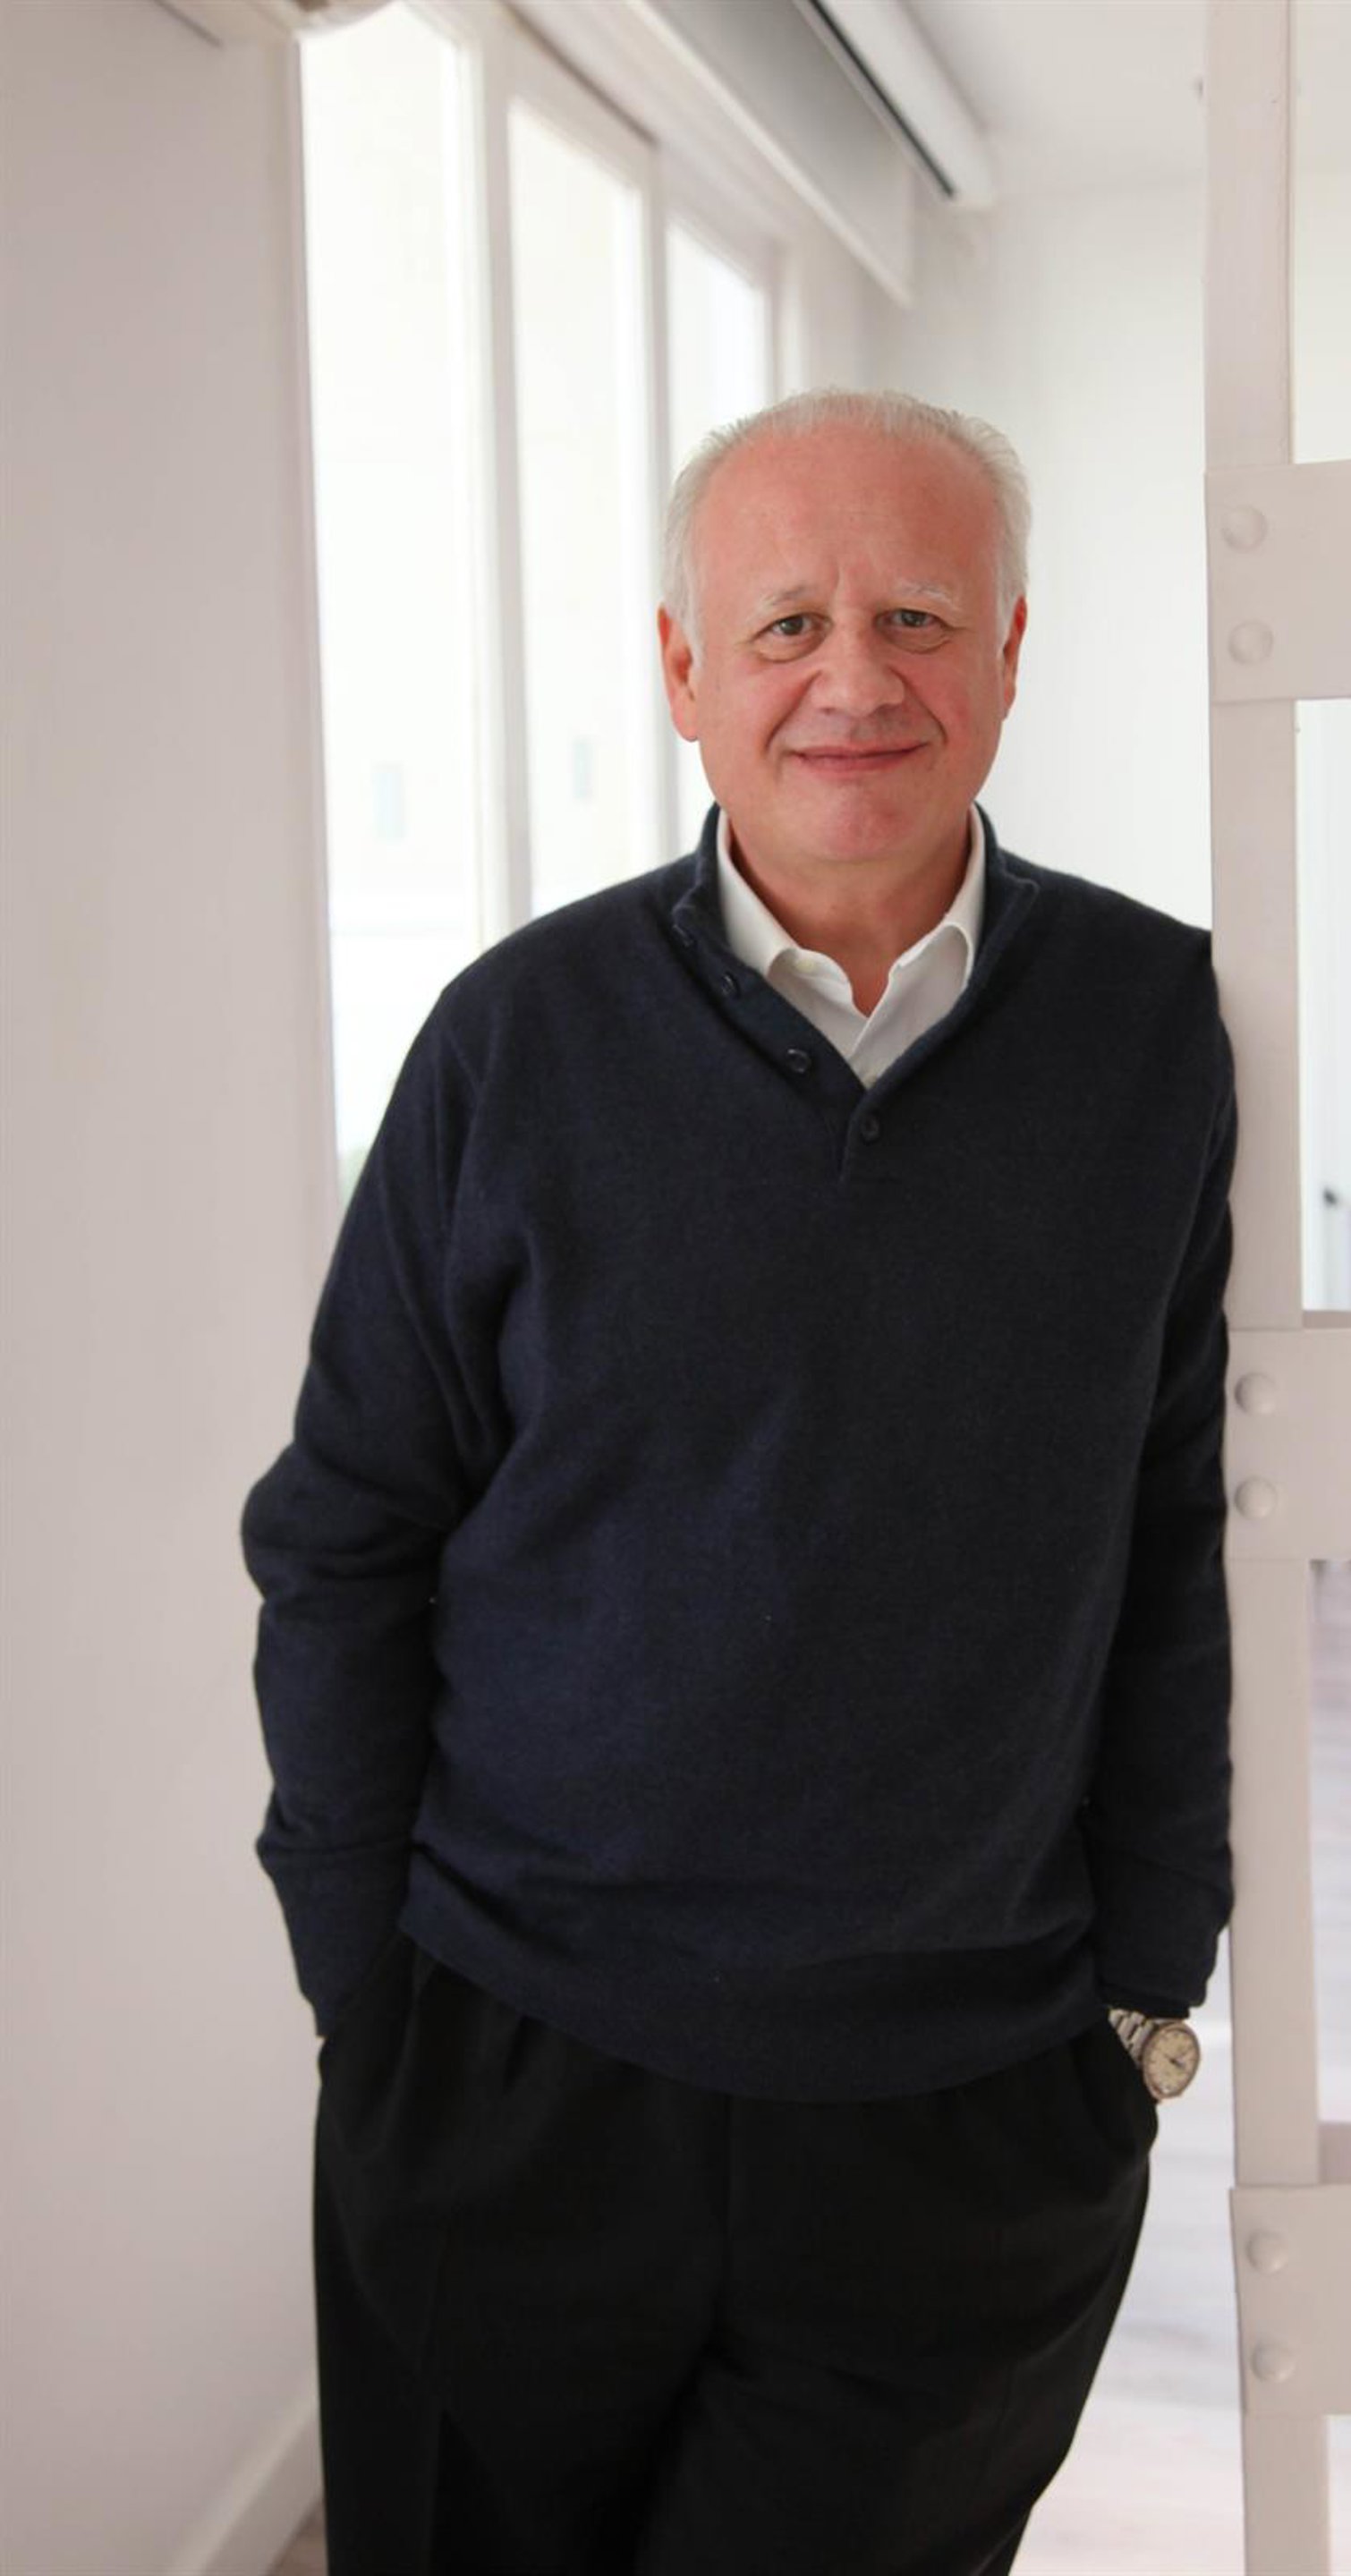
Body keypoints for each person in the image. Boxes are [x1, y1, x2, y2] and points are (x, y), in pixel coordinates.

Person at [241, 385, 1238, 2576]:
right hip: (506, 2083)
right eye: (786, 623)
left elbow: (1169, 1533)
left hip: (964, 2115)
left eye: (916, 616)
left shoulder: (1153, 1030)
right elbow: (345, 1535)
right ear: (686, 671)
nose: (853, 677)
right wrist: (364, 1998)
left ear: (1009, 652)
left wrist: (1149, 1993)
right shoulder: (512, 1042)